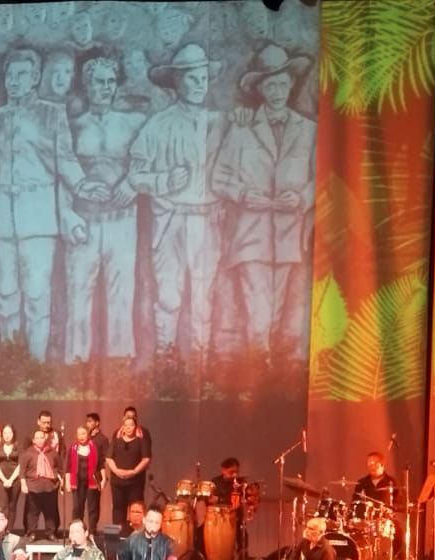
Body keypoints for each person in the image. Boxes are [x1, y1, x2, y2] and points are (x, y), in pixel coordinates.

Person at [211, 45, 317, 355]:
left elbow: (320, 178)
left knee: (282, 305)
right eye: (270, 85)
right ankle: (259, 366)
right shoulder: (241, 129)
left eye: (283, 83)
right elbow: (220, 176)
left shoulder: (310, 130)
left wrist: (300, 198)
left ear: (291, 84)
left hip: (289, 233)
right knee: (257, 303)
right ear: (259, 89)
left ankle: (274, 373)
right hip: (251, 232)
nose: (278, 91)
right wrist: (243, 193)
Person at [0, 49, 90, 362]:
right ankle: (11, 362)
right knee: (4, 296)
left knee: (35, 295)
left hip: (39, 217)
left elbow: (65, 159)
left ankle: (34, 366)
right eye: (9, 75)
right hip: (2, 217)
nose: (13, 82)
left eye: (21, 75)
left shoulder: (51, 113)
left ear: (34, 79)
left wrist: (83, 185)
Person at [130, 44, 226, 361]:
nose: (200, 84)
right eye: (192, 78)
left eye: (204, 78)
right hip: (169, 219)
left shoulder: (221, 123)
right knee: (169, 295)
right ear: (176, 82)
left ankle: (199, 363)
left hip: (207, 219)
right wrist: (163, 181)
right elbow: (135, 174)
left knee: (202, 295)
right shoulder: (158, 125)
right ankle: (165, 360)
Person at [66, 51, 146, 362]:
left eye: (111, 82)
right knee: (78, 294)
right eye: (99, 82)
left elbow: (152, 156)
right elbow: (61, 169)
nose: (106, 88)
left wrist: (132, 182)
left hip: (122, 221)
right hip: (84, 220)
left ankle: (119, 365)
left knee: (121, 292)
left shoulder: (134, 123)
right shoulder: (73, 126)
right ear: (86, 86)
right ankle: (76, 363)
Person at [106, 414, 149, 525]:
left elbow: (145, 459)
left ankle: (135, 535)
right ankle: (118, 534)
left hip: (135, 482)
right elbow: (108, 458)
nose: (128, 427)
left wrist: (134, 471)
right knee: (118, 508)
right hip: (117, 482)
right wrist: (117, 471)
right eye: (126, 425)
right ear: (123, 427)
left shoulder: (141, 442)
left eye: (131, 425)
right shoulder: (116, 441)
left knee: (135, 508)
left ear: (135, 427)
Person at [20, 428, 62, 540]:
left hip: (50, 487)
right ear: (33, 440)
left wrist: (58, 480)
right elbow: (22, 471)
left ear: (45, 438)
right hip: (33, 487)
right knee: (32, 512)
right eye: (37, 438)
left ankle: (50, 533)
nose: (39, 440)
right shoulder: (28, 453)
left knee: (50, 512)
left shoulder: (53, 453)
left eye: (41, 437)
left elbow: (59, 467)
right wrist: (24, 484)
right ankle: (32, 533)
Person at [65, 426, 105, 535]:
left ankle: (92, 531)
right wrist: (68, 482)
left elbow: (101, 464)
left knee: (93, 507)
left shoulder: (94, 447)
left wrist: (103, 479)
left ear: (87, 435)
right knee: (77, 507)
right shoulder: (73, 448)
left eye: (83, 433)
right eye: (79, 434)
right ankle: (77, 531)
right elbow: (68, 467)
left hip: (92, 481)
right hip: (77, 482)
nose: (81, 436)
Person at [0, 424, 23, 521]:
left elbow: (21, 465)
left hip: (15, 480)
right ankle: (2, 530)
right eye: (5, 433)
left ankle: (9, 531)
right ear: (2, 434)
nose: (7, 435)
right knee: (2, 506)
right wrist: (4, 480)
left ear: (13, 434)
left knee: (12, 506)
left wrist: (11, 480)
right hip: (0, 480)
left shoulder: (19, 447)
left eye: (9, 432)